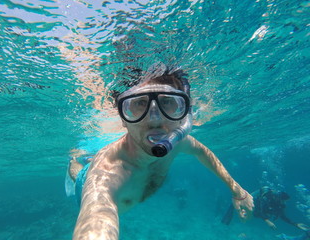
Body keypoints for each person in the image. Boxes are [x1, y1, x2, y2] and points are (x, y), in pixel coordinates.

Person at [68, 65, 254, 240]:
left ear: (184, 113)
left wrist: (238, 191)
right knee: (78, 174)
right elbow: (96, 216)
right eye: (140, 103)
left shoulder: (177, 143)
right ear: (123, 118)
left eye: (167, 102)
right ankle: (76, 160)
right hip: (85, 179)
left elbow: (202, 152)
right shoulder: (104, 176)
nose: (155, 119)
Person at [222, 186, 308, 231]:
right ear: (278, 198)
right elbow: (259, 210)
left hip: (256, 212)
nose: (284, 203)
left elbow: (282, 216)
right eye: (283, 201)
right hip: (252, 205)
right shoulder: (266, 197)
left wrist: (295, 224)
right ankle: (225, 222)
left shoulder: (278, 204)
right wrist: (267, 221)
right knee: (235, 205)